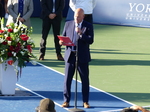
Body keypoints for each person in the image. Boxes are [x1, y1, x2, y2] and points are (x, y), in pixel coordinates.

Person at [60, 8, 94, 108]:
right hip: (70, 55)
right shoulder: (68, 24)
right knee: (67, 80)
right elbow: (63, 36)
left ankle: (85, 101)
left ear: (83, 16)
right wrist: (61, 42)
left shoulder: (88, 26)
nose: (76, 18)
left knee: (84, 79)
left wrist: (81, 34)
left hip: (82, 57)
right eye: (75, 16)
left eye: (79, 17)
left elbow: (90, 40)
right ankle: (66, 101)